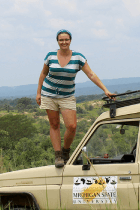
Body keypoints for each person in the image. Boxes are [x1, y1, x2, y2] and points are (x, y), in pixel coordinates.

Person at [36, 29, 116, 168]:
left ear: (70, 40)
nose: (64, 42)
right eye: (61, 40)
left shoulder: (78, 57)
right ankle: (58, 155)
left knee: (72, 126)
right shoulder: (50, 56)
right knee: (54, 125)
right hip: (49, 94)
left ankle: (65, 151)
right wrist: (38, 93)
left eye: (66, 39)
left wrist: (105, 89)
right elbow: (43, 74)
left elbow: (91, 74)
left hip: (67, 96)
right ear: (57, 41)